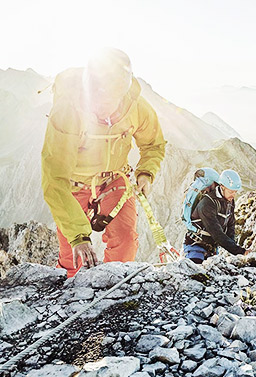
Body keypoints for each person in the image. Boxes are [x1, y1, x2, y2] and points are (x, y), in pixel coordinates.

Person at [41, 48, 166, 277]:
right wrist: (79, 236)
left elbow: (153, 144)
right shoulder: (67, 111)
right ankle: (71, 292)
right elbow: (54, 178)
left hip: (114, 181)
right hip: (73, 185)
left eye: (106, 99)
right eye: (94, 97)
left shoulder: (135, 107)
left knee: (126, 242)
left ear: (120, 94)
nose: (99, 106)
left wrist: (146, 172)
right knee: (72, 256)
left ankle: (111, 286)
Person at [184, 169, 249, 263]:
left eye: (235, 192)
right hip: (196, 246)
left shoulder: (229, 201)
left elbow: (230, 225)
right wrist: (241, 252)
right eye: (231, 191)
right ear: (222, 187)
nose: (233, 195)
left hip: (212, 249)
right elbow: (217, 233)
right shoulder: (207, 203)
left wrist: (234, 247)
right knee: (197, 274)